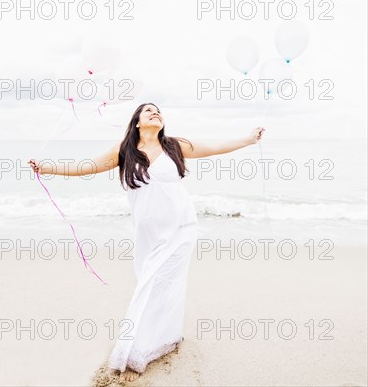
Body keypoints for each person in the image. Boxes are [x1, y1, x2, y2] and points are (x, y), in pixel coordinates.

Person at [28, 102, 265, 379]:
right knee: (152, 284)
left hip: (181, 229)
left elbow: (213, 147)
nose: (156, 113)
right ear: (137, 122)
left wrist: (248, 140)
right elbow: (88, 166)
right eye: (148, 110)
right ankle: (165, 336)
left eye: (159, 111)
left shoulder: (175, 146)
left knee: (164, 285)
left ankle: (137, 350)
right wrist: (48, 168)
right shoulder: (124, 151)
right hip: (149, 237)